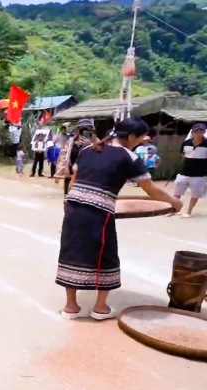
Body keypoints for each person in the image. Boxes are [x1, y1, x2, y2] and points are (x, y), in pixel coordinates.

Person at [57, 118, 182, 320]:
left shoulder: (88, 150)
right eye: (140, 138)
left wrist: (68, 205)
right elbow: (150, 190)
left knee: (72, 250)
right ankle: (100, 308)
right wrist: (175, 202)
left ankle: (71, 307)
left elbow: (73, 183)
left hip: (73, 206)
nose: (141, 142)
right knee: (105, 254)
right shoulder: (129, 157)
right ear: (132, 136)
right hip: (99, 210)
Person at [172, 123, 207, 218]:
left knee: (195, 194)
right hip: (184, 172)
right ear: (192, 132)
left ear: (204, 132)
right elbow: (182, 156)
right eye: (196, 132)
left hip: (199, 174)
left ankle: (189, 211)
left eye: (201, 132)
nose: (199, 134)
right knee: (177, 193)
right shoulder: (186, 143)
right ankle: (175, 210)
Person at [61, 119, 97, 196]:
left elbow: (100, 157)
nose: (84, 131)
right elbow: (63, 156)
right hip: (71, 175)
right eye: (81, 129)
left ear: (91, 130)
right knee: (68, 200)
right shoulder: (70, 142)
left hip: (88, 177)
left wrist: (90, 145)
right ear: (77, 130)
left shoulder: (96, 142)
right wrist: (60, 172)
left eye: (87, 129)